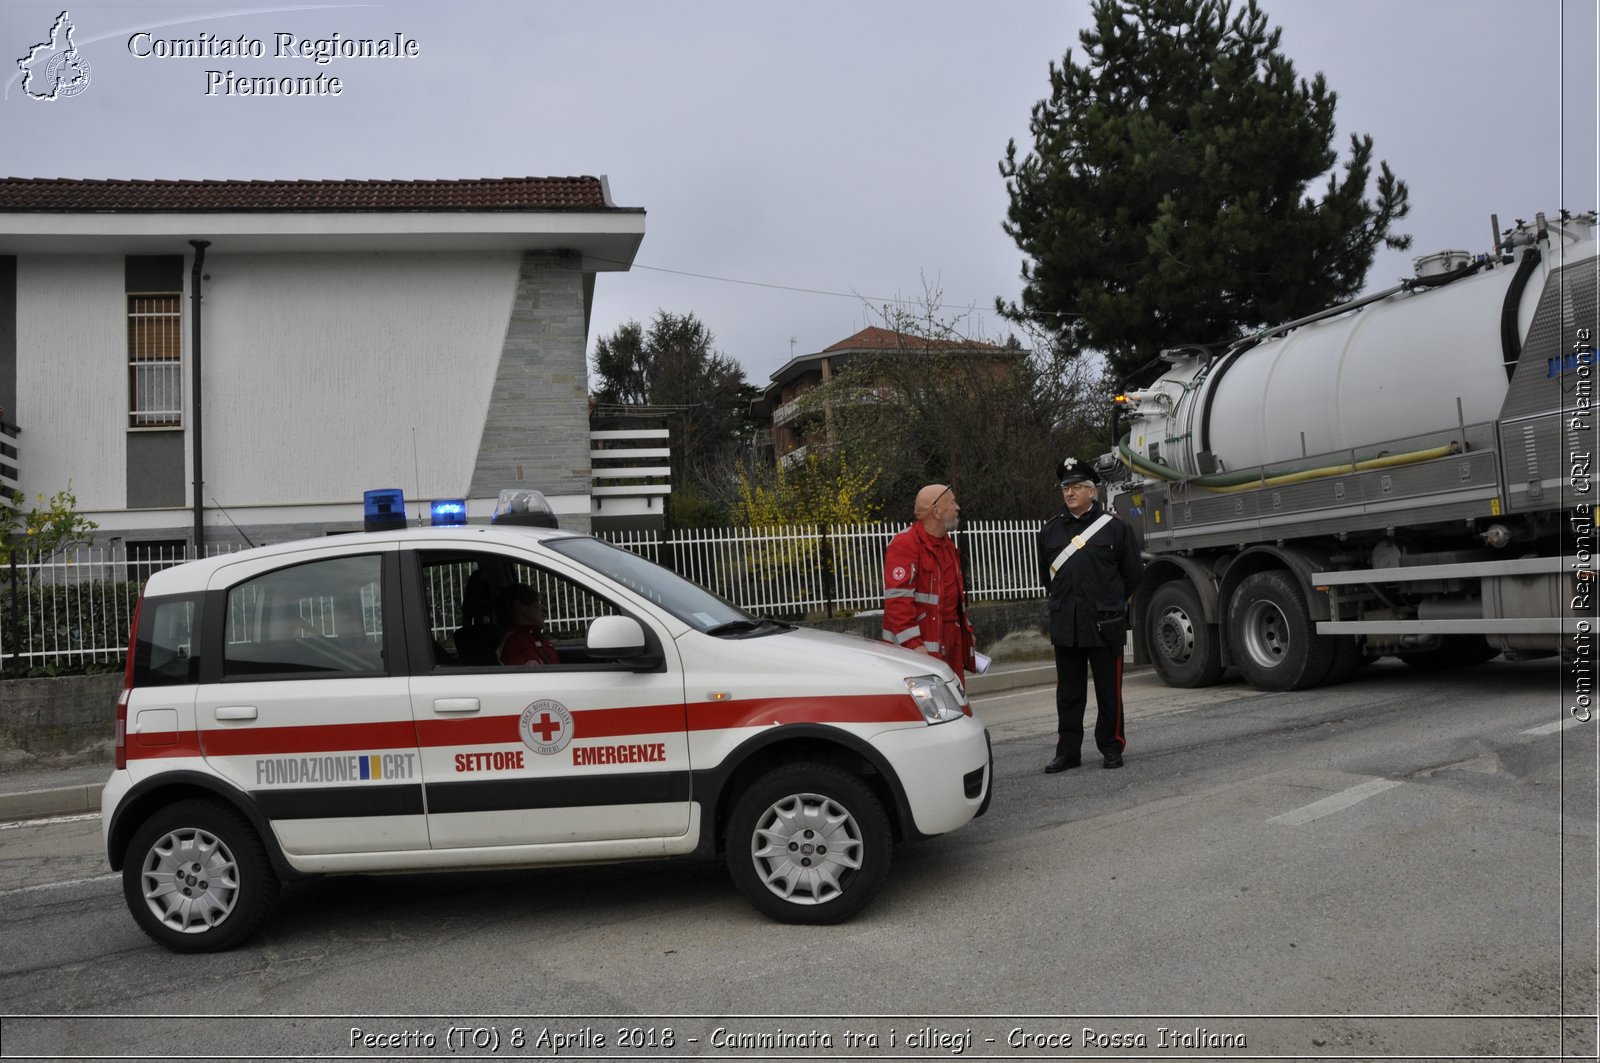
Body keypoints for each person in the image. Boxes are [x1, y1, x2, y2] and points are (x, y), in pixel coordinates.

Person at [1038, 457, 1144, 772]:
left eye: (1076, 487)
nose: (1069, 493)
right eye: (1065, 488)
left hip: (1104, 624)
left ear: (1091, 491)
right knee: (1068, 695)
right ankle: (1068, 752)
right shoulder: (1050, 531)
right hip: (1066, 625)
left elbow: (1133, 575)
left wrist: (1111, 602)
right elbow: (1048, 579)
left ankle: (1111, 747)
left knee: (1109, 693)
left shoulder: (1116, 528)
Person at [882, 483, 975, 679]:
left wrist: (966, 631)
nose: (957, 507)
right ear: (936, 511)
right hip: (920, 651)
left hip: (950, 645)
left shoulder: (947, 544)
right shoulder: (905, 544)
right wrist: (914, 645)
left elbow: (954, 598)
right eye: (952, 502)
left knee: (955, 704)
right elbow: (898, 603)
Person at [498, 583, 559, 666]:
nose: (544, 609)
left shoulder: (532, 637)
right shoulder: (517, 645)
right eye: (537, 602)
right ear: (520, 606)